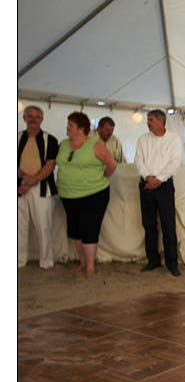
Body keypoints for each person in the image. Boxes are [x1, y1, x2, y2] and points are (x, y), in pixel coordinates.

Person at [56, 111, 117, 277]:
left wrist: (100, 178)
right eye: (68, 124)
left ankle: (90, 266)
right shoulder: (63, 144)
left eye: (71, 125)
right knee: (75, 230)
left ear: (81, 129)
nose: (67, 127)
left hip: (93, 194)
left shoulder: (95, 145)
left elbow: (111, 164)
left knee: (89, 229)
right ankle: (82, 263)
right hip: (68, 194)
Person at [135, 109, 183, 277]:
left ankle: (172, 263)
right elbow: (138, 160)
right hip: (146, 185)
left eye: (151, 119)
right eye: (148, 119)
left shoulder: (173, 139)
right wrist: (148, 177)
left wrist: (159, 179)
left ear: (161, 122)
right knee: (149, 225)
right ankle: (153, 260)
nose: (148, 122)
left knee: (168, 226)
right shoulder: (142, 140)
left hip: (164, 186)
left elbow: (175, 162)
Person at [18, 105, 59, 271]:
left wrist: (33, 179)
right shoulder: (16, 138)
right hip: (19, 187)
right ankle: (19, 260)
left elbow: (50, 164)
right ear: (24, 118)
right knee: (19, 225)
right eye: (30, 116)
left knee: (44, 225)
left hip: (42, 187)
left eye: (36, 116)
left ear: (42, 119)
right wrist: (23, 178)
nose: (33, 119)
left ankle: (46, 261)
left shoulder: (50, 139)